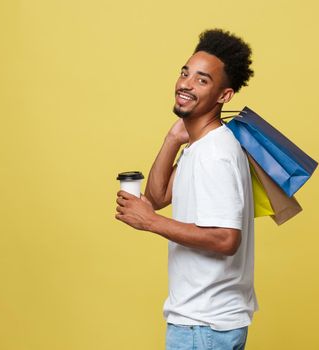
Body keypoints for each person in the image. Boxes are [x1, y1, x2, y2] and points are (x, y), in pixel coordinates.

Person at [116, 29, 256, 350]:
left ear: (224, 96)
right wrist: (173, 139)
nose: (186, 84)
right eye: (185, 73)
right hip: (205, 322)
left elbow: (226, 238)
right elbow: (157, 196)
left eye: (202, 80)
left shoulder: (215, 153)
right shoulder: (201, 146)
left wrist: (149, 221)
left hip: (203, 326)